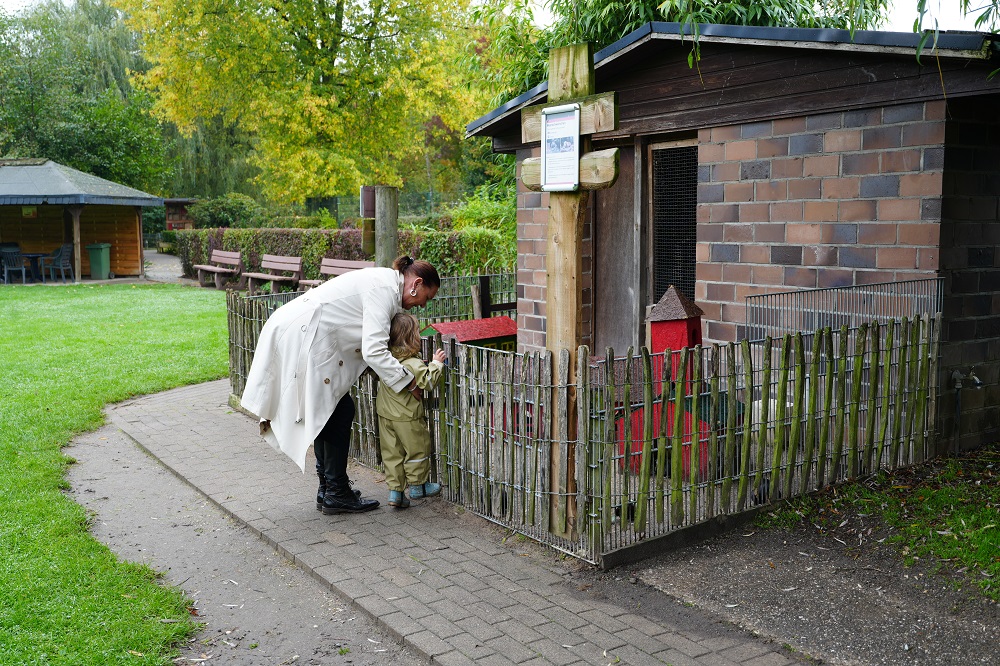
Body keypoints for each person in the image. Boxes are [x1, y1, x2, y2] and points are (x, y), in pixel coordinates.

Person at [240, 255, 440, 514]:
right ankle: (335, 491)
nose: (423, 305)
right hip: (305, 336)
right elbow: (374, 351)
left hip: (304, 332)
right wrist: (410, 382)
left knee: (333, 410)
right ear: (417, 283)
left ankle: (329, 489)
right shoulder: (384, 289)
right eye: (427, 296)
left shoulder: (384, 284)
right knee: (338, 411)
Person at [376, 313, 447, 508]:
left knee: (392, 453)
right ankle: (417, 486)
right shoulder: (413, 364)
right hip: (407, 417)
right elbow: (428, 382)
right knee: (417, 449)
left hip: (385, 415)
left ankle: (395, 492)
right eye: (417, 331)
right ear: (411, 338)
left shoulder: (386, 359)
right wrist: (436, 364)